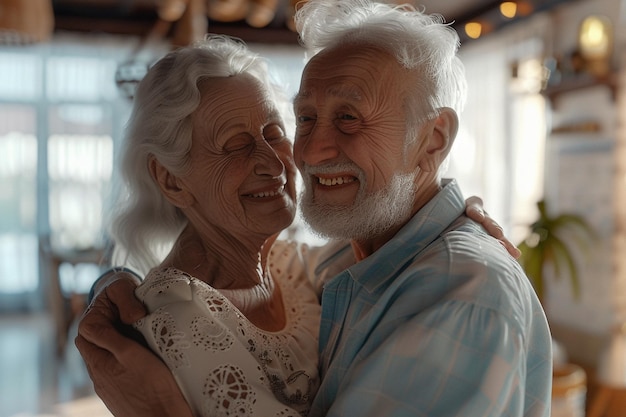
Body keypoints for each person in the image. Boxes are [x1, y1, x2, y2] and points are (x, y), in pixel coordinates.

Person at [75, 2, 543, 416]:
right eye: (305, 119)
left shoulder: (453, 294)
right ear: (171, 179)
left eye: (348, 117)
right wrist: (116, 282)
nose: (306, 154)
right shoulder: (348, 262)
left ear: (433, 139)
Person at [79, 35, 323, 417]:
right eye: (235, 145)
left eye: (274, 134)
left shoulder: (292, 265)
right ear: (172, 181)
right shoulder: (176, 320)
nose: (274, 165)